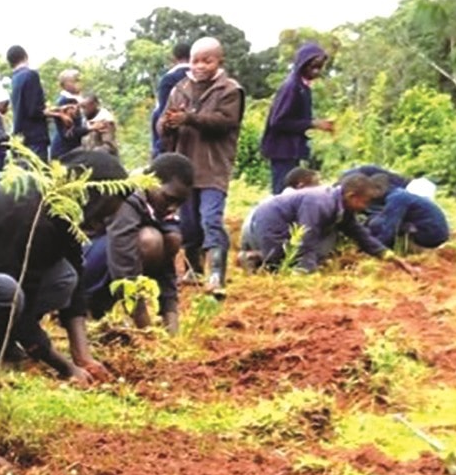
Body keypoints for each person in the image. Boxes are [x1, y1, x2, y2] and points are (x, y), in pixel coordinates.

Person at [0, 148, 130, 384]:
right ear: (87, 196)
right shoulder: (34, 219)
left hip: (4, 281)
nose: (100, 223)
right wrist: (65, 367)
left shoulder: (63, 210)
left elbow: (77, 282)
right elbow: (14, 300)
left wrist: (83, 356)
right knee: (13, 295)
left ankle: (8, 340)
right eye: (101, 213)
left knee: (65, 278)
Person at [75, 152, 192, 345]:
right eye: (169, 198)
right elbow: (124, 269)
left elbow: (167, 269)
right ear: (151, 183)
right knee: (149, 241)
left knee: (171, 239)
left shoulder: (160, 207)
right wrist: (147, 335)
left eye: (179, 203)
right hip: (82, 264)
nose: (173, 208)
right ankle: (87, 305)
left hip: (106, 260)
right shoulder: (127, 199)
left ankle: (99, 309)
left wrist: (172, 329)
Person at [162, 37, 245, 298]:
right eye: (196, 60)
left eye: (207, 61)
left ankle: (217, 274)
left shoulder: (230, 90)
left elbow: (225, 122)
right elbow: (162, 125)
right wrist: (168, 123)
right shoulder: (180, 88)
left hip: (212, 167)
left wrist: (189, 118)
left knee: (211, 220)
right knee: (189, 225)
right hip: (184, 168)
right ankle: (194, 270)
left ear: (219, 61)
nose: (200, 66)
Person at [238, 174, 419, 277]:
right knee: (277, 268)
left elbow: (363, 238)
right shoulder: (320, 203)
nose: (365, 208)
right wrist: (307, 272)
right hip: (268, 220)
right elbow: (306, 237)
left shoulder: (342, 208)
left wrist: (398, 262)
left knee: (299, 261)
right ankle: (253, 257)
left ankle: (261, 258)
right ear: (351, 196)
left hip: (286, 226)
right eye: (364, 202)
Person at [260, 43, 336, 192]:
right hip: (282, 150)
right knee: (283, 194)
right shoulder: (292, 87)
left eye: (319, 67)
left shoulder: (303, 87)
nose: (316, 71)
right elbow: (278, 121)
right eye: (313, 67)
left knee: (291, 192)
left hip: (291, 150)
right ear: (302, 64)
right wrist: (312, 123)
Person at [8, 45, 51, 163]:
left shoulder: (15, 79)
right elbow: (34, 110)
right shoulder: (31, 75)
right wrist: (53, 113)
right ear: (26, 57)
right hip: (35, 136)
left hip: (21, 137)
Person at [149, 40, 191, 156]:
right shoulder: (201, 76)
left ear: (173, 58)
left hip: (171, 137)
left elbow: (163, 111)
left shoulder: (169, 78)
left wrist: (158, 148)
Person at [48, 69, 85, 161]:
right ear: (64, 85)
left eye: (79, 80)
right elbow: (68, 133)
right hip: (65, 150)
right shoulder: (66, 101)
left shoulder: (78, 100)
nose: (78, 83)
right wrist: (91, 128)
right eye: (74, 81)